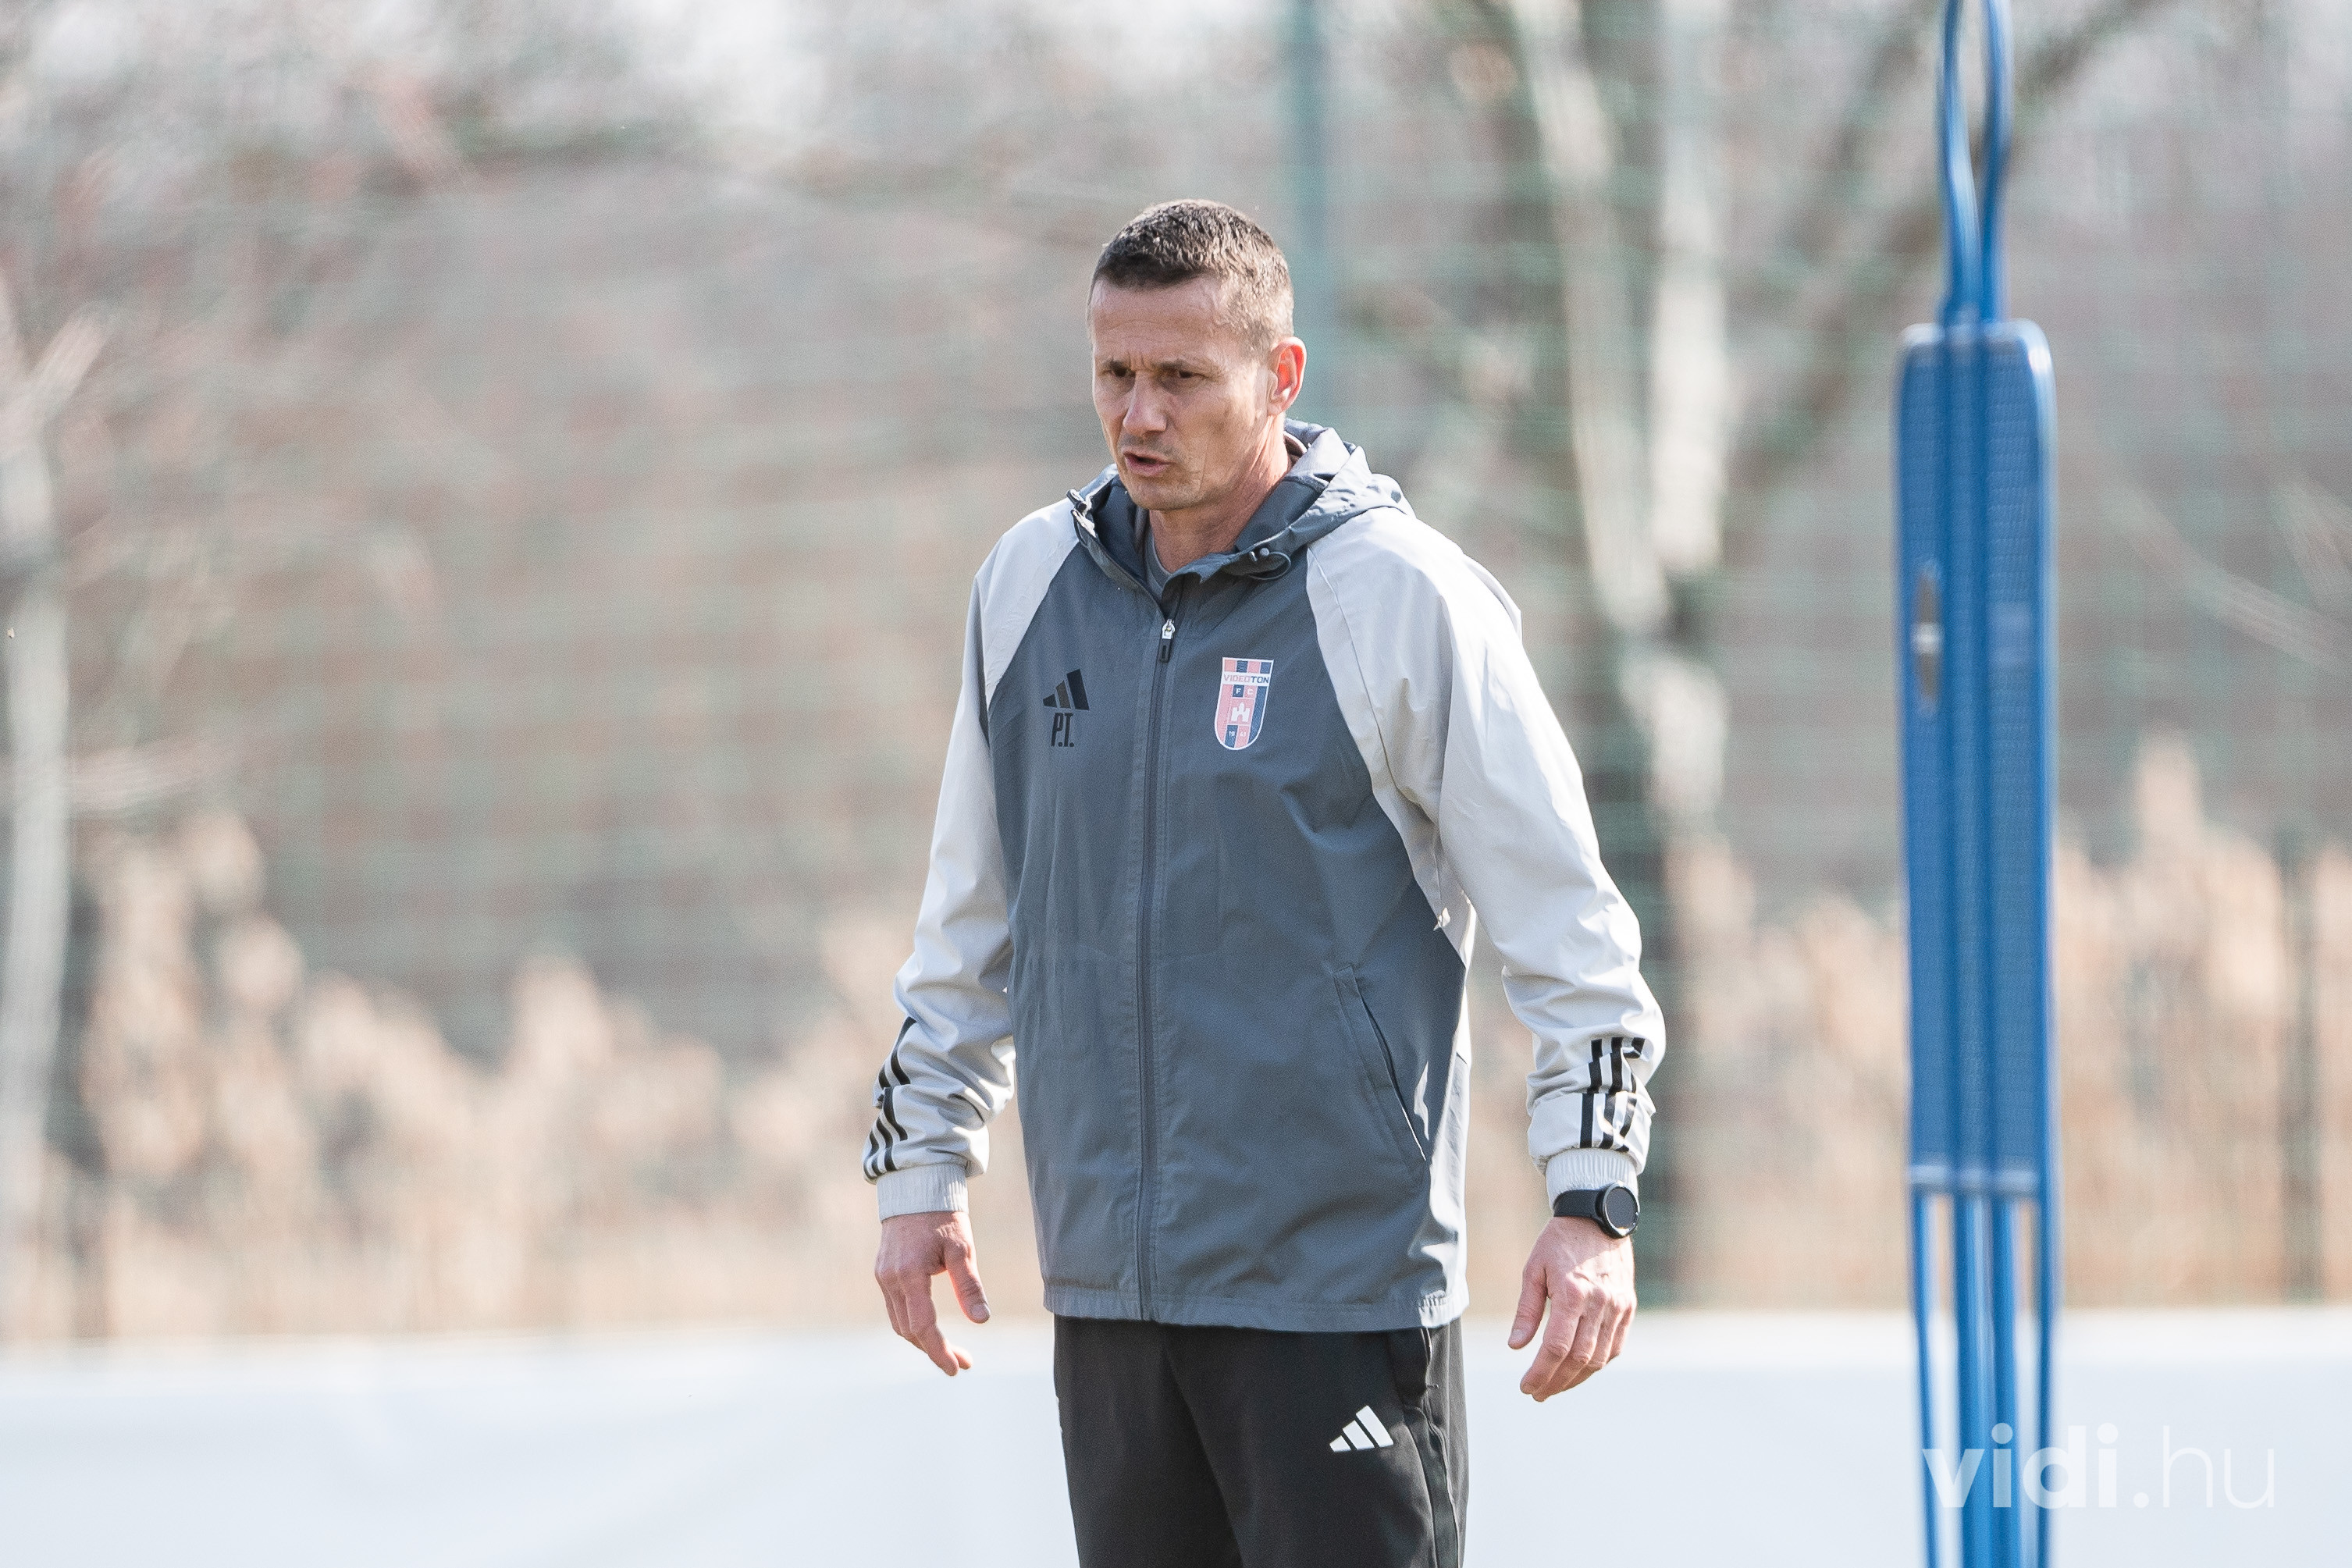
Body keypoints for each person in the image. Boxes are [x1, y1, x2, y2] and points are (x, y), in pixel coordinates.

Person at [864, 199, 1664, 1567]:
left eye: (1182, 376)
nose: (1139, 414)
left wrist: (1592, 1198)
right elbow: (970, 918)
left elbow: (1570, 929)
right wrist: (917, 1169)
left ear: (1280, 375)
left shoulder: (1399, 595)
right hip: (1110, 1296)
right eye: (1115, 372)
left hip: (1337, 1297)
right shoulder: (1026, 583)